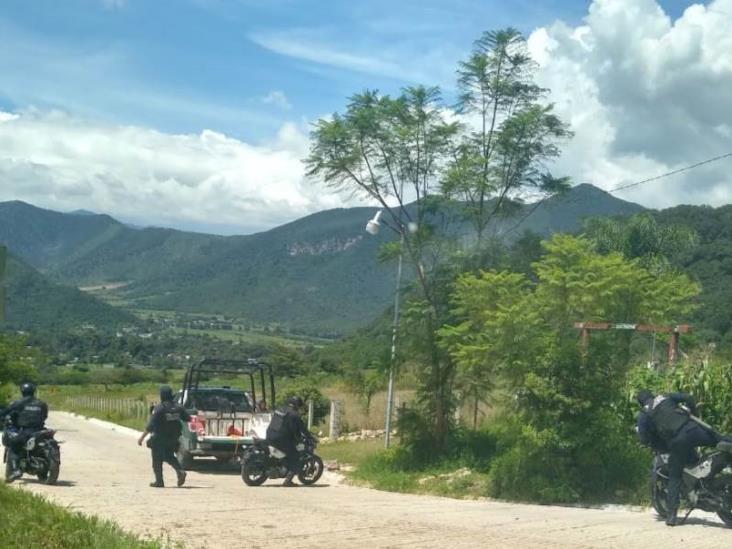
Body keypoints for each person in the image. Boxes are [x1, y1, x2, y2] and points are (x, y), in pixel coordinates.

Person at [636, 389, 718, 526]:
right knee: (720, 440)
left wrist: (649, 441)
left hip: (678, 441)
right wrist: (694, 413)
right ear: (652, 394)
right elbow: (688, 397)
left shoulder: (644, 414)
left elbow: (644, 438)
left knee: (675, 476)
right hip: (693, 429)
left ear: (640, 403)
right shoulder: (664, 397)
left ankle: (672, 516)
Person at [138, 385, 190, 488]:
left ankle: (159, 481)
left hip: (159, 438)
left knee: (157, 459)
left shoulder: (160, 409)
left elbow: (150, 426)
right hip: (173, 438)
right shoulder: (179, 407)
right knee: (169, 456)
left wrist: (141, 438)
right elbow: (188, 418)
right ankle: (180, 470)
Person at [0, 382, 48, 482]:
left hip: (26, 431)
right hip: (40, 430)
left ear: (22, 391)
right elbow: (45, 416)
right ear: (33, 391)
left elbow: (6, 411)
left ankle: (16, 470)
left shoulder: (19, 403)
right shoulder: (42, 403)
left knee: (14, 445)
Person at [265, 396, 311, 486]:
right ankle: (288, 481)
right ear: (297, 405)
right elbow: (302, 429)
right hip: (281, 439)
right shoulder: (295, 415)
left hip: (269, 435)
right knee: (295, 456)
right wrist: (309, 437)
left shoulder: (279, 409)